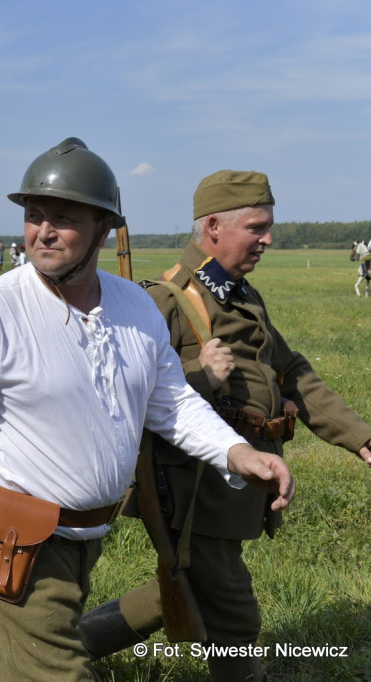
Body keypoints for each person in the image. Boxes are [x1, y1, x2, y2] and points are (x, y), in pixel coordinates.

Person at [0, 138, 296, 682]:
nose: (43, 230)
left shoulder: (133, 307)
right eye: (34, 216)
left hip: (85, 534)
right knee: (57, 669)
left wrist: (237, 451)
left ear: (105, 228)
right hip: (9, 534)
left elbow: (171, 401)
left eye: (63, 217)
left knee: (11, 657)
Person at [77, 170, 371, 680]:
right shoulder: (168, 300)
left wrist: (361, 438)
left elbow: (292, 369)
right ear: (213, 227)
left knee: (178, 592)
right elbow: (123, 396)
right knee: (233, 611)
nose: (269, 239)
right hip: (195, 492)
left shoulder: (241, 296)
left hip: (236, 487)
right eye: (256, 227)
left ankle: (44, 651)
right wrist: (201, 377)